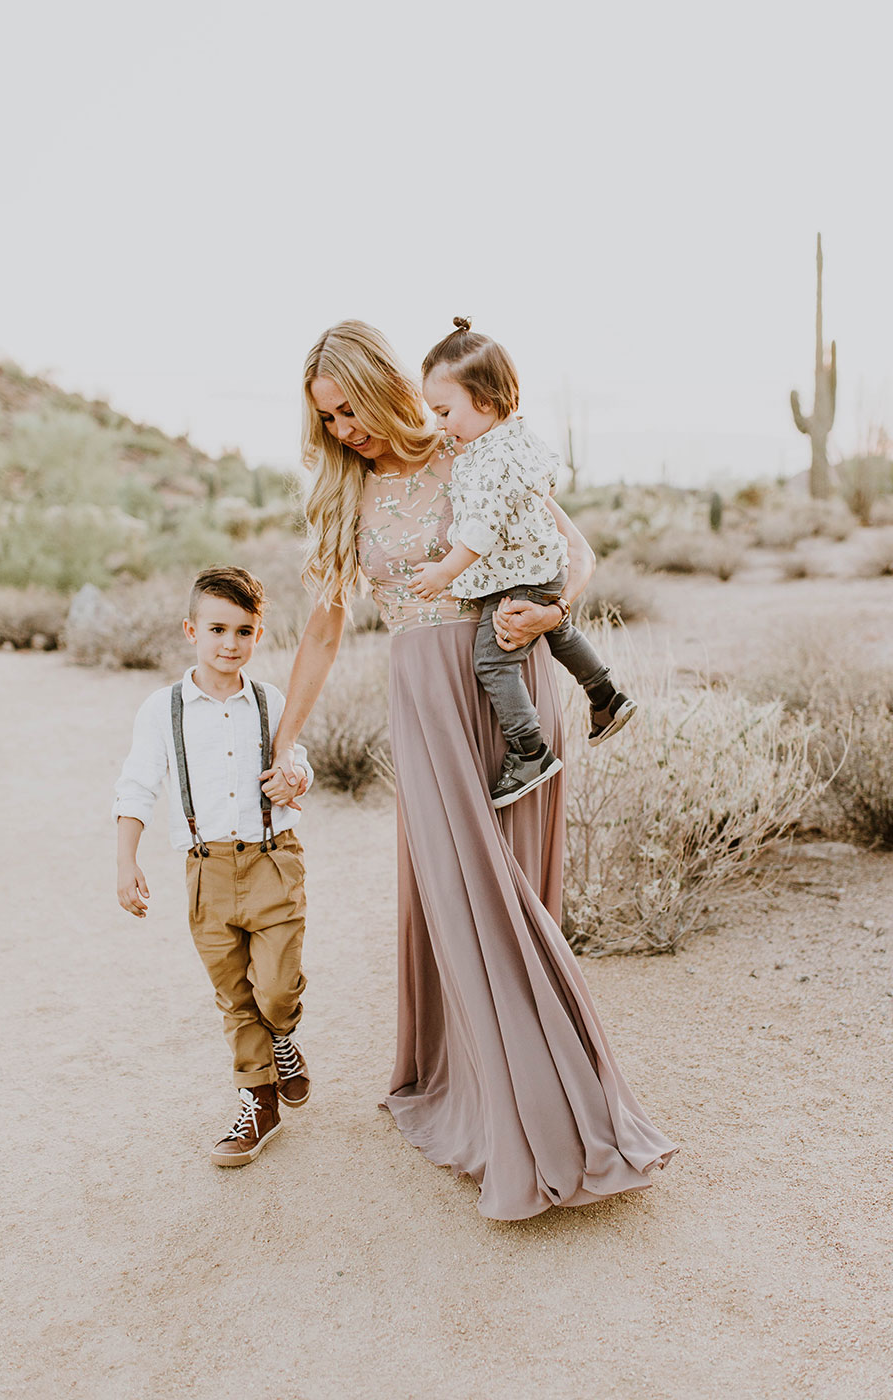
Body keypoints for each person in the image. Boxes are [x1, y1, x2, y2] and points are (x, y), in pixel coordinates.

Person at [265, 321, 676, 1220]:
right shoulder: (342, 496)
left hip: (508, 682)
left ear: (386, 388)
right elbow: (326, 628)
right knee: (461, 894)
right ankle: (491, 1101)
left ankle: (543, 1111)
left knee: (514, 892)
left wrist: (549, 610)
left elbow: (575, 553)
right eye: (327, 420)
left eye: (351, 409)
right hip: (425, 700)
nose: (344, 431)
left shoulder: (472, 450)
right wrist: (283, 740)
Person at [114, 566, 314, 1168]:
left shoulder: (270, 700)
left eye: (244, 631)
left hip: (273, 861)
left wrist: (292, 777)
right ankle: (258, 1103)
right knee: (234, 995)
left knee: (275, 989)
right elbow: (137, 783)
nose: (230, 643)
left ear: (259, 635)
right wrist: (127, 861)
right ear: (191, 630)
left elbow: (297, 760)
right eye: (218, 629)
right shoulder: (163, 709)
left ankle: (284, 1037)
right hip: (206, 870)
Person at [412, 317, 637, 808]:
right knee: (558, 633)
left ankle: (529, 749)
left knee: (492, 661)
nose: (440, 424)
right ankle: (606, 696)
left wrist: (444, 572)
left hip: (521, 575)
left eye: (445, 412)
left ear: (486, 404)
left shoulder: (492, 459)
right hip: (540, 568)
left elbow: (481, 528)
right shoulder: (511, 440)